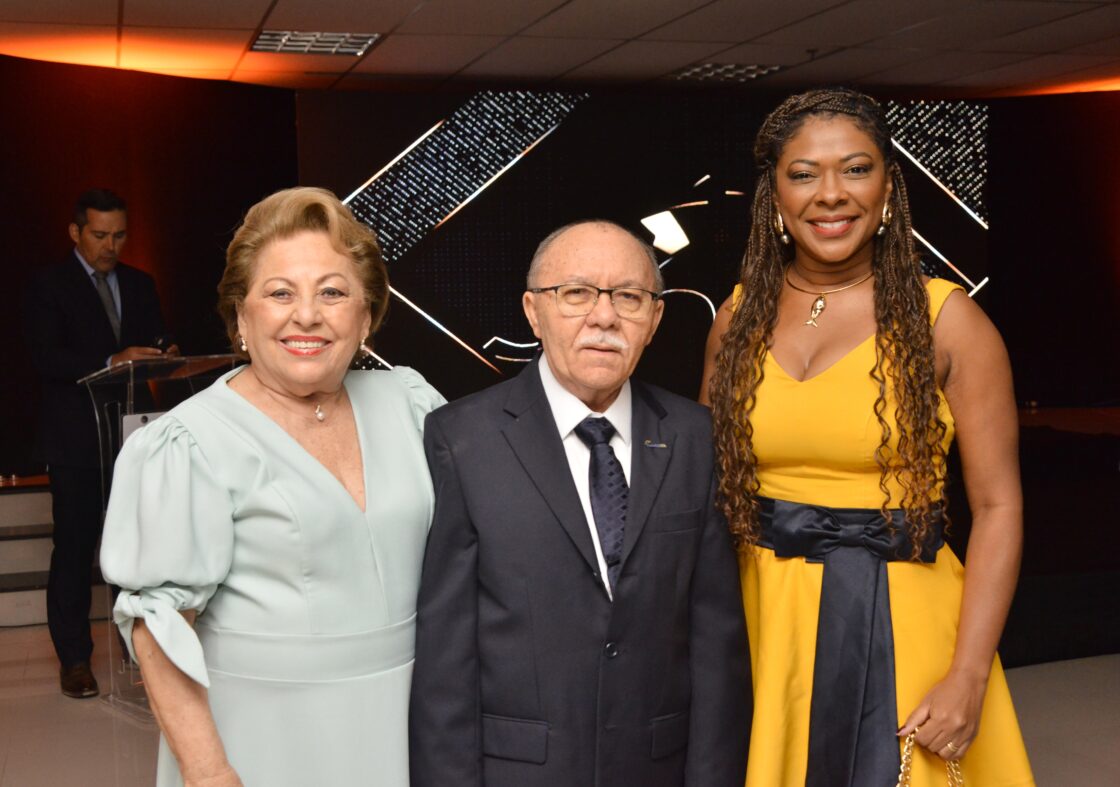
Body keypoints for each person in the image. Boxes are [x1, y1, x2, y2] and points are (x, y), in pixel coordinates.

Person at [700, 88, 1034, 786]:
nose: (831, 193)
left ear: (888, 187)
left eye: (855, 169)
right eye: (803, 174)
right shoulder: (737, 316)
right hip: (763, 621)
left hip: (905, 620)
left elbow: (999, 506)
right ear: (775, 196)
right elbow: (703, 492)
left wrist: (969, 674)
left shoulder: (947, 320)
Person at [100, 187, 443, 786]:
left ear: (366, 317)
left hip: (411, 726)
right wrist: (209, 772)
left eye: (332, 292)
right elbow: (159, 626)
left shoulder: (412, 404)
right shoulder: (189, 442)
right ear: (241, 316)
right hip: (262, 737)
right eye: (280, 293)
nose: (306, 315)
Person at [410, 220, 751, 787]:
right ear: (533, 311)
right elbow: (445, 659)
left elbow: (717, 647)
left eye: (629, 297)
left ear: (655, 319)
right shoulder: (462, 438)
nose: (604, 317)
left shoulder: (697, 437)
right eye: (576, 293)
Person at [23, 188, 174, 699]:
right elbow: (45, 357)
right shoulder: (49, 285)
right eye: (100, 235)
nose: (111, 246)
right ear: (75, 232)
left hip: (133, 435)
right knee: (74, 549)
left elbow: (155, 339)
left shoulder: (140, 282)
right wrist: (112, 360)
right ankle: (75, 661)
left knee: (138, 547)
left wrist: (163, 352)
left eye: (120, 235)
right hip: (74, 441)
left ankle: (142, 651)